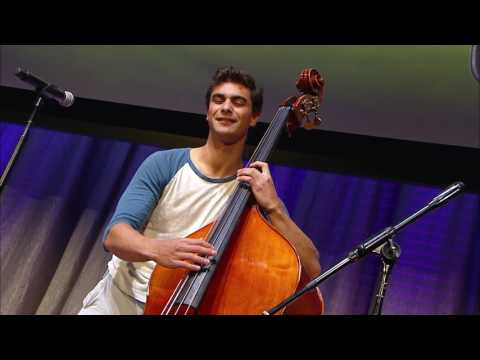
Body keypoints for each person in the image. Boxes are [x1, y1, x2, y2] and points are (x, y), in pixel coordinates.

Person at [78, 66, 321, 315]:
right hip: (118, 302)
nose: (226, 107)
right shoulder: (165, 163)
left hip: (186, 308)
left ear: (253, 117)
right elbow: (115, 236)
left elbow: (311, 268)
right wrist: (157, 249)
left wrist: (274, 207)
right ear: (208, 112)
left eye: (238, 102)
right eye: (219, 100)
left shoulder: (256, 191)